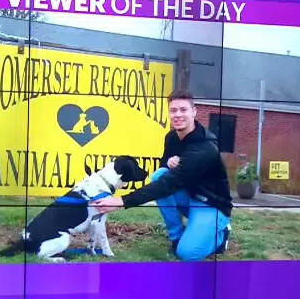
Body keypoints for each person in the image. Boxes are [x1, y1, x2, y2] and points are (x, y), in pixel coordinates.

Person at [92, 90, 232, 261]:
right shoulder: (172, 138)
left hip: (211, 205)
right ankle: (176, 237)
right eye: (173, 110)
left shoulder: (205, 147)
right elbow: (163, 173)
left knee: (188, 254)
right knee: (159, 175)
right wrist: (170, 163)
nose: (178, 115)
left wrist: (122, 201)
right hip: (188, 196)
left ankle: (221, 235)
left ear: (194, 112)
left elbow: (170, 183)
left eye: (183, 110)